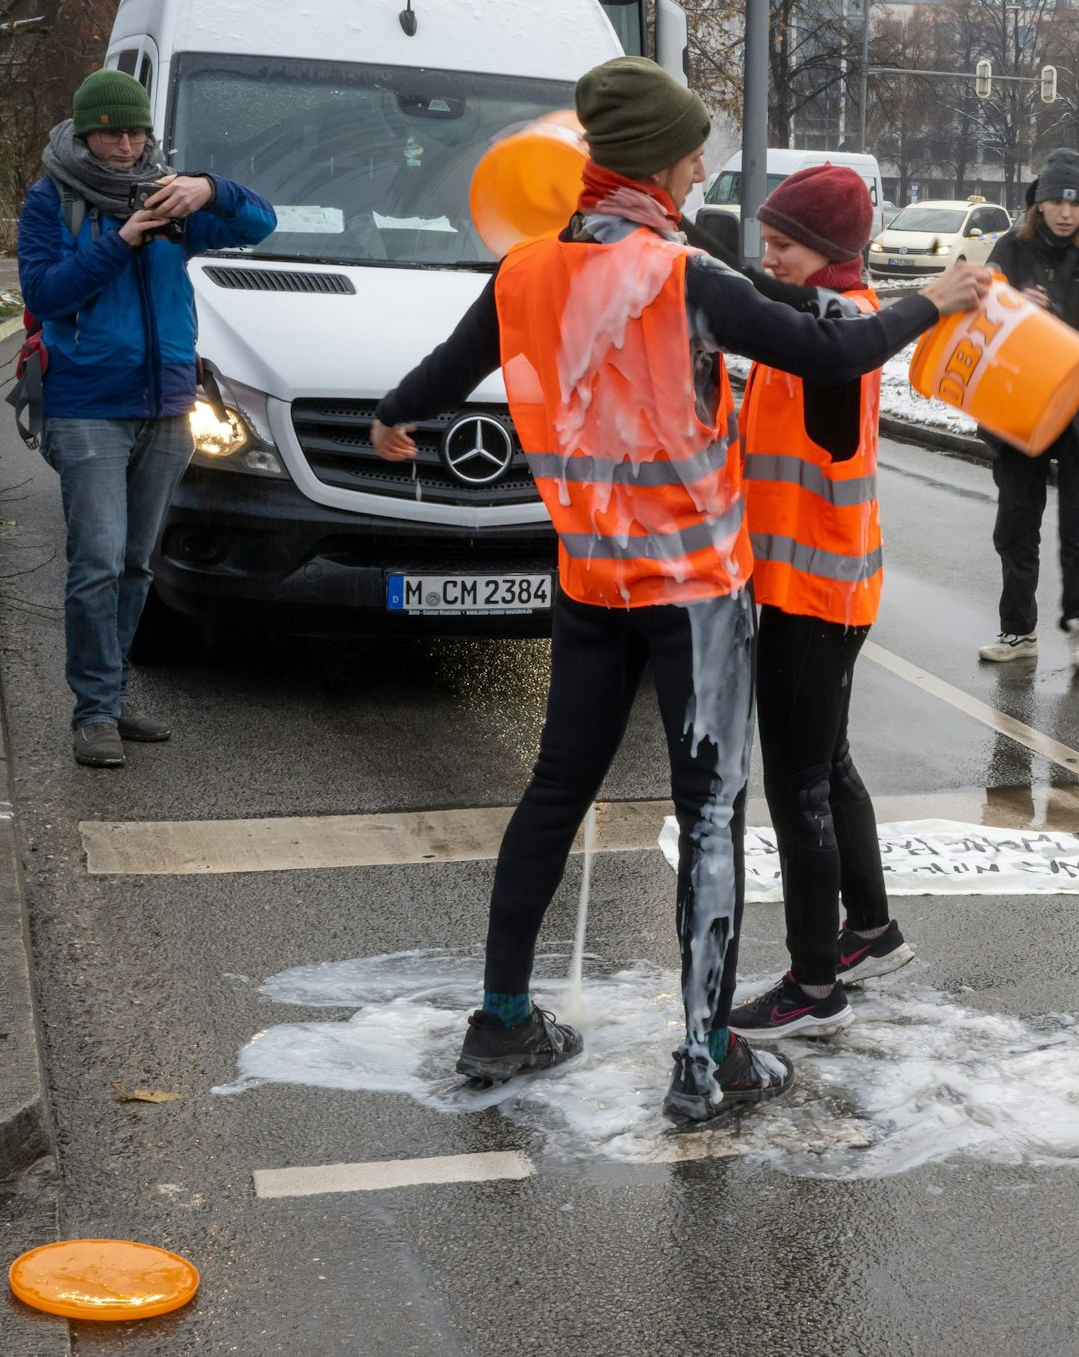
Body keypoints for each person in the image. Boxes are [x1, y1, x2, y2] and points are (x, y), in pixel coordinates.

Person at [367, 58, 989, 1122]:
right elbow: (829, 353)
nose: (705, 167)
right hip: (693, 594)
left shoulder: (525, 272)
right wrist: (932, 300)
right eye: (696, 151)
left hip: (588, 581)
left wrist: (393, 416)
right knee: (708, 817)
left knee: (554, 792)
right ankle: (704, 1059)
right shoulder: (679, 278)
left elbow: (435, 374)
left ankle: (502, 1020)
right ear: (660, 160)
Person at [17, 68, 277, 769]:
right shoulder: (53, 201)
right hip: (86, 409)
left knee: (136, 563)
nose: (126, 143)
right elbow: (45, 291)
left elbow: (261, 223)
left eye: (135, 130)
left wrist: (211, 189)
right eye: (111, 131)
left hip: (165, 406)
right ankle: (94, 713)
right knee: (97, 561)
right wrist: (122, 239)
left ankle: (112, 692)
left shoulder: (172, 196)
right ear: (84, 131)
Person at [722, 167, 914, 1043]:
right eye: (765, 246)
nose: (770, 262)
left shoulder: (839, 325)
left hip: (813, 592)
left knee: (797, 783)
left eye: (784, 246)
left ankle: (810, 985)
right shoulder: (823, 319)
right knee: (828, 767)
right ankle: (869, 931)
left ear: (831, 253)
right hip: (821, 583)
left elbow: (823, 374)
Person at [980, 148, 1079, 671]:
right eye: (1054, 201)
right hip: (1019, 406)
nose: (1065, 212)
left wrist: (1050, 327)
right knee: (1016, 524)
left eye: (1075, 202)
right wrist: (1013, 306)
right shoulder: (1011, 248)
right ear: (1038, 204)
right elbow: (985, 310)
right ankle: (1018, 632)